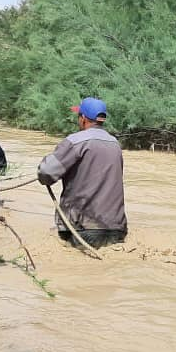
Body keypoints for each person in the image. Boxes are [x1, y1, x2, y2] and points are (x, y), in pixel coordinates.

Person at [37, 97, 128, 248]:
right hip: (117, 228)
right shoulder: (115, 144)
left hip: (84, 228)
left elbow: (45, 173)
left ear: (83, 118)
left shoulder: (76, 141)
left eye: (78, 116)